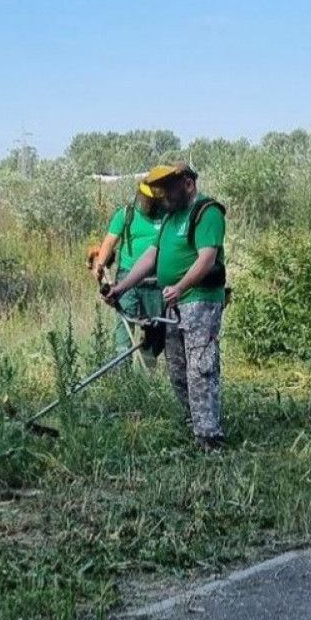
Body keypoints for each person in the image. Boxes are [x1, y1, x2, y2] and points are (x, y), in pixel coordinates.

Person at [102, 162, 227, 449]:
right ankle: (193, 423)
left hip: (199, 301)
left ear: (187, 183)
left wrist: (181, 286)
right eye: (161, 189)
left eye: (169, 187)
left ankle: (210, 437)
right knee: (177, 368)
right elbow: (151, 258)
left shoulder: (206, 213)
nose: (164, 195)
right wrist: (121, 288)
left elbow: (206, 259)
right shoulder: (171, 219)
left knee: (200, 368)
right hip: (174, 303)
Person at [90, 181, 166, 366]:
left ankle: (148, 369)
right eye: (144, 199)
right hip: (128, 280)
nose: (146, 204)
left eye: (150, 201)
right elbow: (109, 242)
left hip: (156, 282)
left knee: (156, 330)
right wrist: (100, 264)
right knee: (123, 332)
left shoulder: (167, 216)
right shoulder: (127, 214)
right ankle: (122, 375)